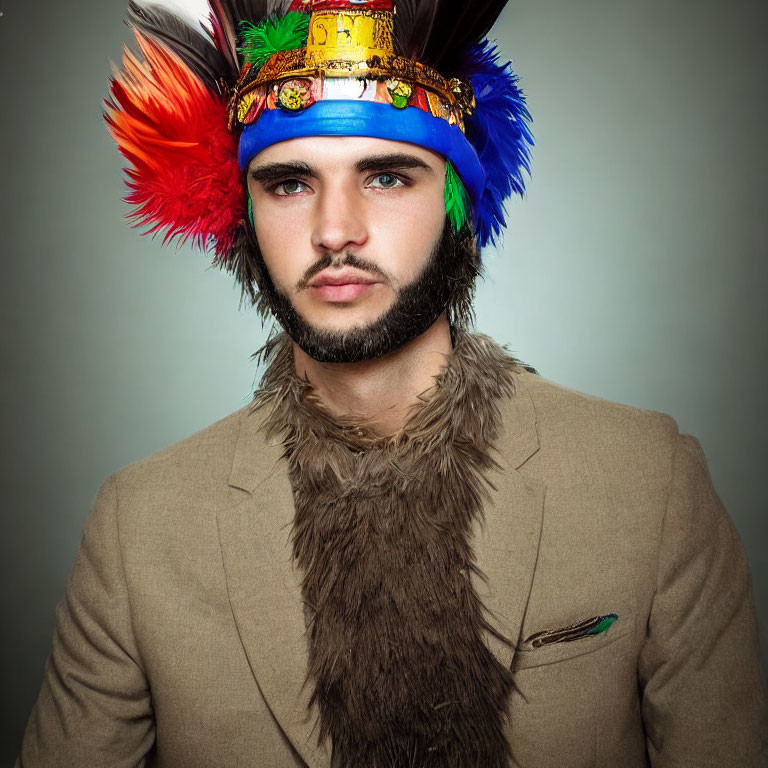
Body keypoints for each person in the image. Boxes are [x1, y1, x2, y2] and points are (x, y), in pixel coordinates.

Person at [16, 0, 767, 766]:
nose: (335, 229)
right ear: (241, 215)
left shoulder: (650, 483)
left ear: (456, 205)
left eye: (385, 176)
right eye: (289, 184)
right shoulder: (139, 532)